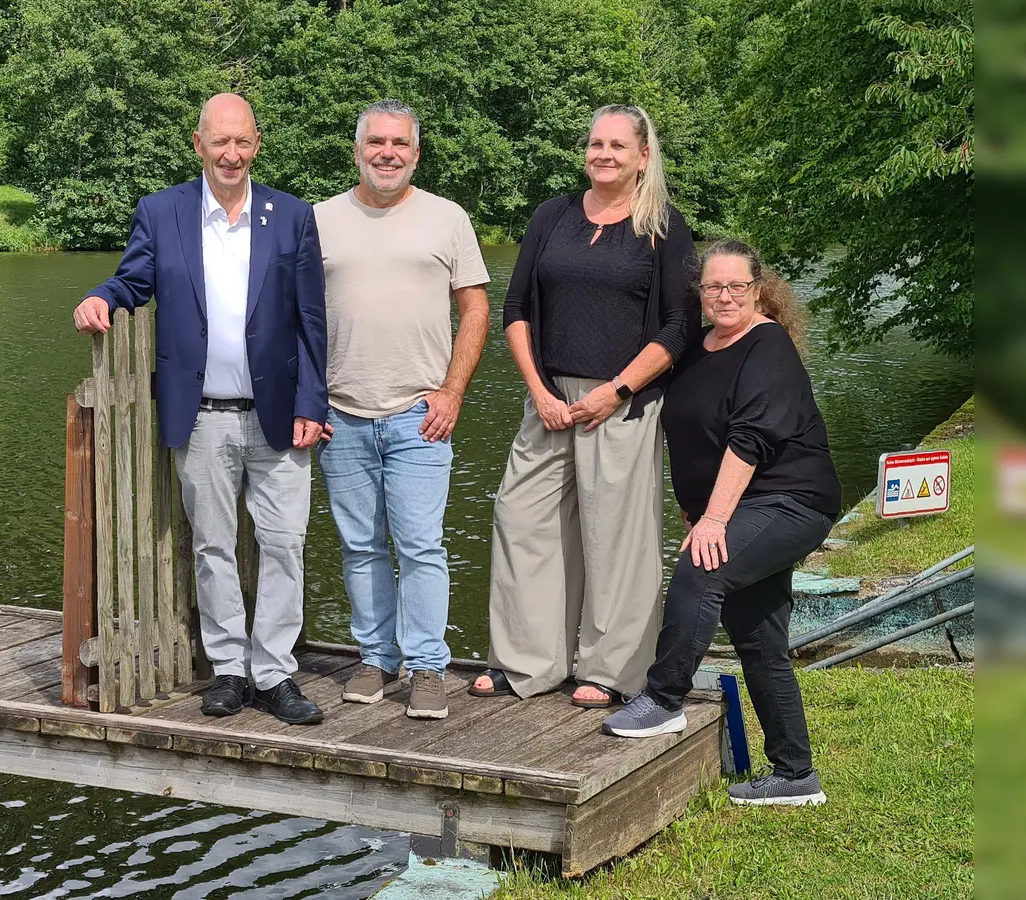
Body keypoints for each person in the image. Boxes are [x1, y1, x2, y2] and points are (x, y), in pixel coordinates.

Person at [72, 94, 328, 725]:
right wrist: (100, 296)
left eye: (242, 142)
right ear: (199, 144)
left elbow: (312, 320)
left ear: (257, 144)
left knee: (284, 544)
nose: (231, 154)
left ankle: (274, 673)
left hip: (279, 415)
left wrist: (313, 402)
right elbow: (132, 280)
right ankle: (230, 670)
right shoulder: (163, 213)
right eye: (220, 143)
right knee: (213, 546)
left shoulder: (292, 216)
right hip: (204, 415)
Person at [603, 240, 840, 808]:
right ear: (701, 294)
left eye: (737, 285)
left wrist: (712, 518)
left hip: (789, 502)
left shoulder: (768, 345)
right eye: (714, 286)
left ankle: (663, 700)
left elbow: (749, 438)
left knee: (700, 572)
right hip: (742, 506)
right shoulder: (699, 349)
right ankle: (794, 774)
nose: (725, 295)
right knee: (759, 639)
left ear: (759, 290)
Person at [474, 104, 697, 708]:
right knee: (522, 522)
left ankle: (611, 670)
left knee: (615, 537)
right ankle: (528, 663)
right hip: (548, 400)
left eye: (618, 146)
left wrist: (617, 390)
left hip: (620, 402)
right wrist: (539, 392)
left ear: (643, 156)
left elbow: (679, 328)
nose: (604, 154)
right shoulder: (553, 216)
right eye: (596, 143)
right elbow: (515, 308)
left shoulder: (663, 227)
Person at [316, 100, 491, 720]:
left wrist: (452, 392)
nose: (387, 153)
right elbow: (299, 319)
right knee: (360, 545)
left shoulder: (447, 219)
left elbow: (475, 310)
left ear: (415, 154)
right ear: (357, 149)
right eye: (376, 142)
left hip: (420, 414)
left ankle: (425, 666)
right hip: (342, 414)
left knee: (420, 545)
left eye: (400, 144)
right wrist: (311, 399)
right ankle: (373, 657)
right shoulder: (320, 220)